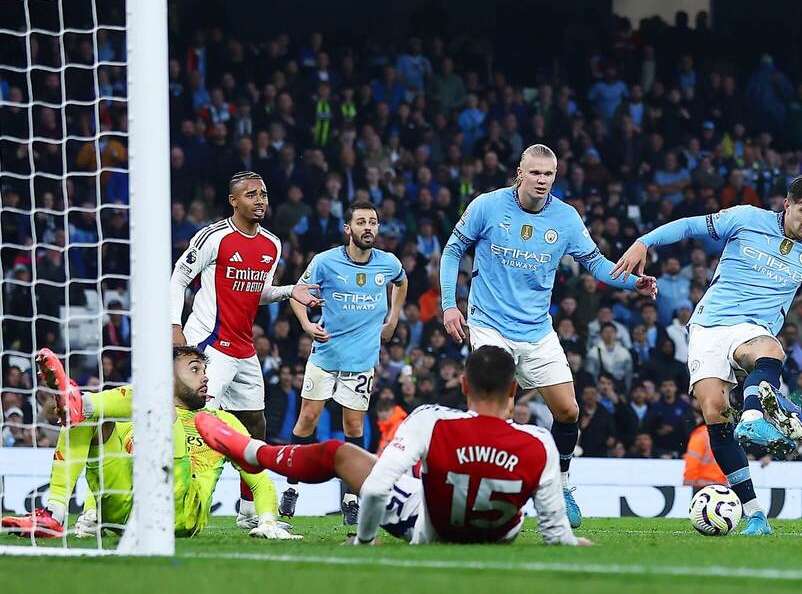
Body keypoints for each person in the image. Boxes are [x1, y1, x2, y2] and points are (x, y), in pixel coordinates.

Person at [611, 174, 802, 535]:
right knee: (714, 413)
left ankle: (752, 415)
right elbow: (690, 226)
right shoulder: (746, 218)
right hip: (708, 327)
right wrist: (645, 241)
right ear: (787, 205)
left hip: (753, 330)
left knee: (770, 348)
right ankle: (754, 514)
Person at [439, 143, 657, 527]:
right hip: (489, 324)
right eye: (535, 173)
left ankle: (561, 485)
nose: (542, 180)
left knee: (569, 410)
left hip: (537, 330)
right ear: (519, 173)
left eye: (549, 174)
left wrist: (631, 284)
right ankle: (482, 493)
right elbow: (453, 250)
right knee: (496, 412)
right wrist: (449, 305)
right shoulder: (487, 206)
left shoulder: (566, 218)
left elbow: (596, 264)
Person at [195, 345, 590, 546]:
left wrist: (364, 540)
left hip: (427, 527)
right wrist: (571, 543)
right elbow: (555, 530)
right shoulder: (539, 442)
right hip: (497, 535)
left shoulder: (433, 420)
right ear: (515, 390)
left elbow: (380, 487)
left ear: (465, 385)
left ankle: (252, 452)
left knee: (341, 453)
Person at [1, 348, 295, 540]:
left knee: (149, 405)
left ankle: (82, 402)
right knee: (90, 420)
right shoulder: (131, 416)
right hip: (124, 511)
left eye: (204, 371)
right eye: (195, 369)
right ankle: (55, 513)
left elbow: (257, 479)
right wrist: (91, 508)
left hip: (182, 512)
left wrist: (267, 519)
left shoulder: (222, 420)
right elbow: (109, 468)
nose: (204, 378)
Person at [168, 170, 323, 527]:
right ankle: (178, 501)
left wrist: (288, 292)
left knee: (255, 424)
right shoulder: (214, 237)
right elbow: (178, 277)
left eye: (264, 194)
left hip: (243, 347)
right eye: (251, 195)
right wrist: (175, 327)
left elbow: (261, 292)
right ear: (233, 201)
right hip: (209, 343)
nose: (260, 201)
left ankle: (248, 510)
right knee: (194, 423)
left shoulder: (272, 244)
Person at [280, 201, 408, 522]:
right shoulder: (325, 261)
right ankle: (291, 488)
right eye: (362, 222)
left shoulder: (387, 263)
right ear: (348, 229)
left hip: (362, 360)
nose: (369, 228)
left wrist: (393, 319)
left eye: (374, 222)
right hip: (325, 356)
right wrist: (308, 325)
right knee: (307, 420)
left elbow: (402, 281)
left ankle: (351, 498)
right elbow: (298, 292)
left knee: (353, 426)